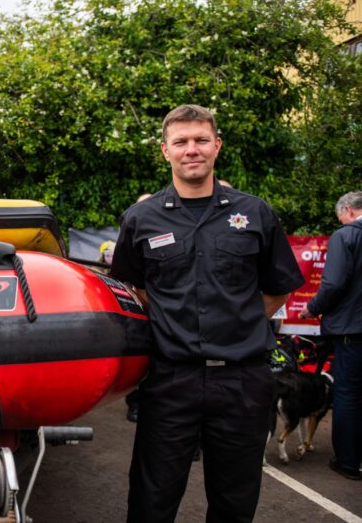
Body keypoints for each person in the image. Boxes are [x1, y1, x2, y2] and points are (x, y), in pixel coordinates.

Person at [110, 104, 304, 522]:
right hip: (170, 381)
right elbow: (134, 288)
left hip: (242, 382)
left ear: (217, 146)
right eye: (181, 142)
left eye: (200, 140)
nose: (191, 149)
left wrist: (241, 322)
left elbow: (278, 285)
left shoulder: (254, 212)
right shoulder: (141, 218)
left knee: (235, 502)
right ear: (166, 151)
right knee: (151, 500)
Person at [300, 191, 362, 480]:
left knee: (348, 393)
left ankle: (348, 462)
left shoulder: (346, 236)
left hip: (353, 329)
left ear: (348, 210)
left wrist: (312, 308)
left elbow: (334, 282)